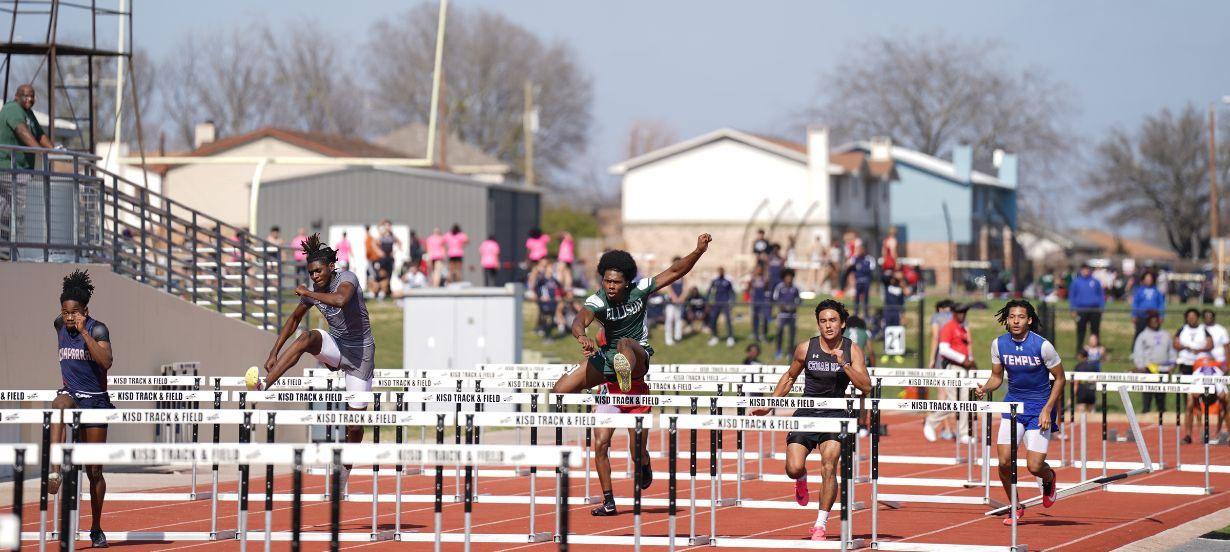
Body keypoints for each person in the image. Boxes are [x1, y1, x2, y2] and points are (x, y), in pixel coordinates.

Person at [552, 234, 712, 516]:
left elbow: (675, 271)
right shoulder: (598, 299)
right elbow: (580, 319)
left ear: (627, 281)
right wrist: (582, 336)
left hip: (637, 364)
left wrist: (698, 251)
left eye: (615, 282)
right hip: (609, 370)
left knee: (625, 344)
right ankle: (609, 500)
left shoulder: (641, 289)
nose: (610, 287)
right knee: (563, 394)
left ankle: (644, 460)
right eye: (606, 281)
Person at [252, 234, 375, 497]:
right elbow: (294, 319)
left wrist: (309, 293)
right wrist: (274, 351)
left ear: (331, 266)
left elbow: (341, 300)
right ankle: (265, 384)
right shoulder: (314, 290)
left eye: (318, 271)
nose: (315, 276)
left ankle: (343, 472)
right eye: (311, 273)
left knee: (354, 426)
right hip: (337, 345)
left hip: (361, 354)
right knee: (307, 337)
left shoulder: (347, 279)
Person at [752, 299, 872, 540]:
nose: (828, 326)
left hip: (836, 415)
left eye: (833, 320)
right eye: (823, 321)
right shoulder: (805, 348)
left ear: (843, 323)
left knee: (829, 466)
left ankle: (820, 524)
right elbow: (789, 377)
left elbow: (866, 386)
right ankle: (801, 479)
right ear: (818, 324)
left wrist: (844, 365)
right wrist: (769, 404)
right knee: (793, 468)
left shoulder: (852, 349)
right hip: (807, 414)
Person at [975, 299, 1065, 524]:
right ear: (1006, 319)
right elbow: (997, 377)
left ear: (1029, 320)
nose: (1016, 321)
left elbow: (1061, 379)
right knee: (1004, 462)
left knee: (1034, 466)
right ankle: (1014, 506)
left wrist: (1048, 409)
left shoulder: (1043, 345)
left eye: (1021, 317)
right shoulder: (999, 344)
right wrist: (985, 388)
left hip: (1039, 409)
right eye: (1012, 316)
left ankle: (1049, 477)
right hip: (1013, 406)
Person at [47, 270, 113, 548]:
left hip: (95, 401)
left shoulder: (98, 329)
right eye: (65, 312)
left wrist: (85, 332)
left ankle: (96, 527)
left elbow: (106, 362)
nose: (69, 317)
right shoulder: (58, 324)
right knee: (58, 404)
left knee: (94, 472)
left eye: (75, 312)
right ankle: (54, 470)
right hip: (72, 394)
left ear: (85, 310)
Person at [926, 303, 974, 442]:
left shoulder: (963, 328)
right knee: (953, 401)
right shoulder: (949, 327)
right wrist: (962, 359)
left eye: (964, 312)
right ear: (953, 313)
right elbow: (943, 349)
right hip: (952, 368)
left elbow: (966, 347)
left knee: (965, 400)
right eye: (960, 312)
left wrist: (971, 362)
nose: (962, 315)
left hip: (964, 368)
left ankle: (964, 432)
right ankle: (931, 421)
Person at [0, 84, 54, 169]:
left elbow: (40, 135)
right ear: (17, 96)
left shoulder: (29, 112)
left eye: (32, 96)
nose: (30, 99)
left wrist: (55, 152)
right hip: (8, 166)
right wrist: (41, 152)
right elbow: (21, 131)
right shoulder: (12, 108)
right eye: (26, 96)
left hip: (23, 169)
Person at [1132, 311, 1175, 413]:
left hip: (1163, 368)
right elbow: (1138, 352)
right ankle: (1146, 411)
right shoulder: (1143, 335)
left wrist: (1172, 364)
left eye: (1156, 321)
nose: (1155, 323)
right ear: (1148, 322)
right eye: (1152, 321)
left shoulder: (1165, 334)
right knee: (1147, 392)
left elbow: (1172, 350)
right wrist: (1140, 365)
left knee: (1161, 394)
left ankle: (1162, 412)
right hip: (1148, 369)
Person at [1069, 264, 1106, 356]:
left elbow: (1101, 295)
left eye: (1087, 270)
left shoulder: (1095, 281)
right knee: (1081, 330)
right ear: (1081, 270)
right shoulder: (1076, 282)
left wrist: (1101, 308)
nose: (1085, 271)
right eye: (1084, 270)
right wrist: (1073, 309)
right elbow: (1072, 296)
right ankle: (1079, 351)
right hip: (1081, 309)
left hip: (1094, 310)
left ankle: (1096, 351)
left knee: (1095, 330)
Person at [773, 268, 802, 360]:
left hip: (792, 315)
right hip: (782, 314)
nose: (789, 279)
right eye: (787, 277)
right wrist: (783, 307)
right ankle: (778, 350)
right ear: (784, 278)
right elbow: (776, 298)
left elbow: (798, 300)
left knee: (792, 334)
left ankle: (790, 352)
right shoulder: (780, 287)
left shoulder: (795, 288)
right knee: (780, 332)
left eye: (790, 277)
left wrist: (794, 307)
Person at [1131, 272, 1165, 344]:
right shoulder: (1139, 291)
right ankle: (1135, 350)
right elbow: (1135, 303)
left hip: (1153, 317)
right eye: (1147, 279)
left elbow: (1161, 303)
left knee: (1154, 334)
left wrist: (1161, 315)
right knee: (1139, 333)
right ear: (1143, 280)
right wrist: (1134, 315)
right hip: (1142, 316)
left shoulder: (1156, 291)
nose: (1148, 280)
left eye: (1150, 279)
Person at [707, 266, 736, 347]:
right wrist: (708, 301)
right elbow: (709, 291)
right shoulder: (715, 281)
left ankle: (730, 337)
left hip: (725, 303)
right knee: (713, 319)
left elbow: (732, 292)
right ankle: (715, 336)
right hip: (716, 303)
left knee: (728, 320)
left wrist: (732, 302)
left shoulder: (727, 282)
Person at [663, 257, 685, 346]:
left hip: (679, 301)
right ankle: (668, 338)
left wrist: (681, 297)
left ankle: (678, 336)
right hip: (671, 302)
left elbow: (685, 288)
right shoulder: (670, 274)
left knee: (678, 318)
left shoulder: (683, 275)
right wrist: (674, 297)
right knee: (669, 319)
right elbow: (668, 287)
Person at [748, 264, 771, 343]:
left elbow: (767, 289)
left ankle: (763, 335)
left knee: (764, 318)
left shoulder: (764, 279)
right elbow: (749, 289)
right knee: (755, 318)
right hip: (755, 301)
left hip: (763, 301)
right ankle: (755, 333)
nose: (758, 271)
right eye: (757, 269)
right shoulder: (753, 279)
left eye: (760, 269)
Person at [851, 245, 875, 318]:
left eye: (861, 249)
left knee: (865, 298)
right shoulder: (855, 259)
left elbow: (871, 269)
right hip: (858, 281)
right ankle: (856, 312)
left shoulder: (869, 259)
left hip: (866, 281)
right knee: (856, 297)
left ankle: (866, 313)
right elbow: (851, 269)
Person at [1073, 350, 1098, 414]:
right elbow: (1096, 381)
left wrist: (1072, 397)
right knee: (1091, 417)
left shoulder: (1078, 367)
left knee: (1080, 415)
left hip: (1082, 392)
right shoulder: (1094, 366)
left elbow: (1076, 383)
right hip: (1091, 392)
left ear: (1081, 356)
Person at [363, 224, 383, 293]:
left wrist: (368, 257)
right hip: (373, 259)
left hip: (372, 259)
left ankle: (374, 291)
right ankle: (372, 290)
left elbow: (369, 250)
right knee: (370, 273)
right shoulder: (370, 237)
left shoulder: (369, 238)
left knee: (373, 275)